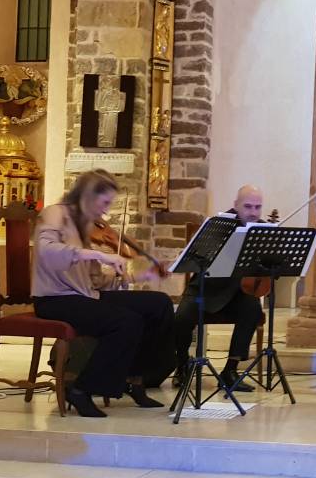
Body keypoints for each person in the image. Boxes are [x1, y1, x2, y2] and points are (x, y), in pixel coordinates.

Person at [31, 170, 176, 418]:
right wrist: (98, 254)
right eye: (105, 202)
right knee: (126, 321)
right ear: (88, 195)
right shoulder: (56, 213)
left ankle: (134, 378)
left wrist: (142, 276)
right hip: (54, 299)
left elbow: (94, 282)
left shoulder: (84, 225)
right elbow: (46, 250)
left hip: (84, 296)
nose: (106, 211)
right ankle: (82, 389)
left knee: (159, 304)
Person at [173, 185, 267, 392]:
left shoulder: (263, 230)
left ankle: (230, 371)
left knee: (252, 308)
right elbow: (198, 257)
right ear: (236, 205)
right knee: (181, 318)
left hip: (235, 294)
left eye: (258, 207)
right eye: (248, 206)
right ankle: (182, 365)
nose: (253, 212)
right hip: (205, 289)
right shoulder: (219, 226)